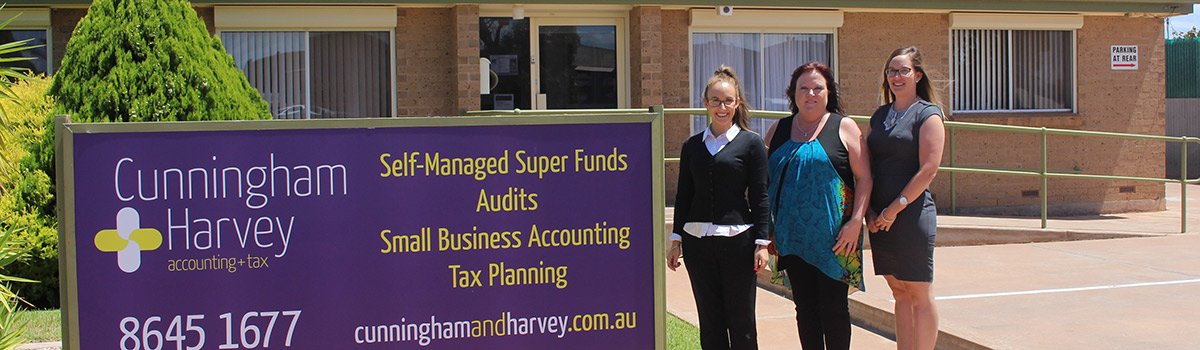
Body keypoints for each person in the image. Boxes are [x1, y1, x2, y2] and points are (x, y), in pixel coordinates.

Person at [763, 62, 872, 350]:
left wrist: (856, 221)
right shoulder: (777, 130)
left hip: (836, 240)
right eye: (804, 88)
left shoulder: (844, 127)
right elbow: (762, 180)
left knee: (834, 310)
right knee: (805, 309)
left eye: (817, 88)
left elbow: (864, 178)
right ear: (793, 93)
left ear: (828, 92)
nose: (810, 93)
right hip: (792, 238)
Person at [666, 65, 770, 350]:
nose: (721, 107)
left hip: (738, 243)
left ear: (737, 103)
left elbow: (760, 195)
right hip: (697, 244)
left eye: (727, 101)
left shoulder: (752, 143)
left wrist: (762, 243)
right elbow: (684, 195)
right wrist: (676, 240)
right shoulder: (692, 146)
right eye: (715, 101)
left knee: (741, 322)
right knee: (710, 322)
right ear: (705, 103)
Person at [866, 46, 945, 350]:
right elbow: (868, 165)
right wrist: (871, 212)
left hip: (910, 216)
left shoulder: (928, 114)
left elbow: (929, 169)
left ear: (918, 75)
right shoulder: (880, 115)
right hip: (880, 218)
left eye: (903, 71)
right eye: (891, 71)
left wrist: (893, 210)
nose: (896, 77)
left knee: (919, 292)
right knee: (898, 291)